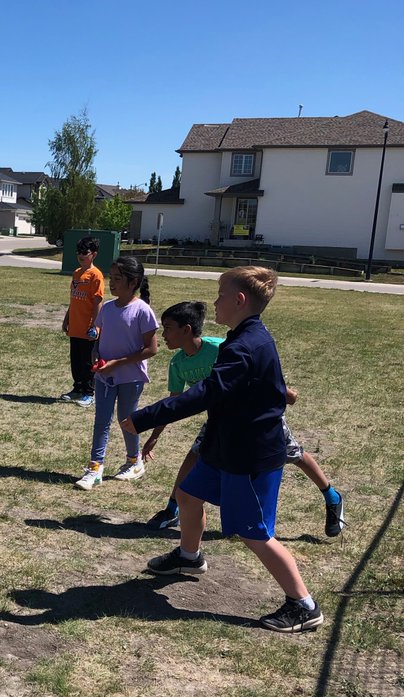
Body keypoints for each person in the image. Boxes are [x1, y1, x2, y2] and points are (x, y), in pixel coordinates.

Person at [123, 267, 324, 633]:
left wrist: (144, 418)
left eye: (220, 295)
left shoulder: (246, 346)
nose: (215, 302)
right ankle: (189, 556)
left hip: (248, 455)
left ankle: (303, 605)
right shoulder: (246, 337)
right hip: (226, 446)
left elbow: (205, 394)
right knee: (187, 495)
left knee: (254, 532)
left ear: (239, 300)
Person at [144, 301, 345, 537]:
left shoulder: (219, 348)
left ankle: (332, 497)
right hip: (221, 418)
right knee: (194, 455)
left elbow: (260, 366)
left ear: (186, 330)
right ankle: (173, 508)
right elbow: (174, 403)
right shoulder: (178, 364)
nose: (163, 335)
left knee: (294, 455)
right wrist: (154, 436)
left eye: (167, 328)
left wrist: (284, 392)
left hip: (256, 414)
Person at [75, 254, 158, 490]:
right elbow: (99, 338)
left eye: (118, 278)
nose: (112, 283)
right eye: (111, 277)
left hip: (130, 378)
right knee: (101, 421)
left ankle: (134, 462)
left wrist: (118, 363)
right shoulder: (108, 308)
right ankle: (95, 469)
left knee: (127, 421)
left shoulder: (142, 310)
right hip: (104, 376)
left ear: (133, 282)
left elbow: (151, 349)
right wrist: (96, 353)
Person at [61, 236, 105, 406]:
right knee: (76, 360)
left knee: (88, 362)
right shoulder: (77, 273)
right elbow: (73, 300)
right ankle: (77, 388)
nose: (81, 255)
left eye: (84, 252)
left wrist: (95, 325)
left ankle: (89, 393)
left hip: (88, 328)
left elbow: (97, 302)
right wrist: (67, 319)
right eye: (78, 252)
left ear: (94, 254)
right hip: (75, 326)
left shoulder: (96, 275)